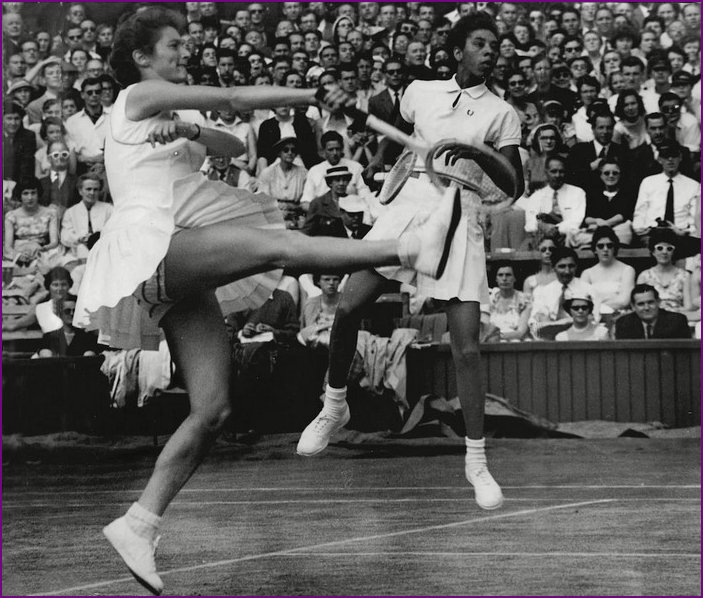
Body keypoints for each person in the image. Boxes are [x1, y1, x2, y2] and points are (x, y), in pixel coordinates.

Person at [87, 8, 460, 594]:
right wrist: (313, 92)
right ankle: (409, 246)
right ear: (141, 56)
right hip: (155, 246)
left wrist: (187, 131)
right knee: (281, 245)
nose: (184, 50)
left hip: (171, 258)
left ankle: (140, 522)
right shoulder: (139, 92)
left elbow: (232, 142)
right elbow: (236, 98)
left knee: (212, 410)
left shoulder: (167, 106)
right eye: (173, 44)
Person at [297, 14, 525, 513]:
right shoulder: (420, 91)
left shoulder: (503, 113)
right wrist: (366, 135)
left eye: (495, 46)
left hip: (461, 212)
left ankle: (477, 461)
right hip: (408, 203)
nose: (490, 52)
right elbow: (393, 133)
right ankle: (334, 406)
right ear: (458, 49)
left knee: (466, 346)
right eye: (480, 44)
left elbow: (513, 182)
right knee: (349, 306)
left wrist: (471, 150)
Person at [569, 157, 635, 249]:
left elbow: (622, 216)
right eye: (606, 173)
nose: (611, 176)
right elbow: (587, 218)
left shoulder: (626, 194)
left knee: (625, 230)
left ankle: (595, 243)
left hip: (618, 230)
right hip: (596, 229)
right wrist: (597, 221)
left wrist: (605, 224)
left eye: (615, 173)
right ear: (601, 176)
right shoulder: (594, 194)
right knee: (574, 234)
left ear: (620, 175)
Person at [3, 177, 59, 267]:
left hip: (43, 251)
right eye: (25, 193)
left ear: (38, 193)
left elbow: (54, 242)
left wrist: (42, 249)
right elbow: (8, 247)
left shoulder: (50, 213)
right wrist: (18, 255)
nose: (30, 197)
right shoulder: (11, 216)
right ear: (19, 195)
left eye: (33, 193)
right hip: (18, 253)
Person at [580, 226, 636, 315]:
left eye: (609, 246)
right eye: (600, 246)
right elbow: (582, 301)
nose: (605, 249)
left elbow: (624, 301)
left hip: (620, 316)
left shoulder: (627, 270)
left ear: (615, 248)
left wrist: (597, 304)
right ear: (595, 249)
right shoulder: (587, 273)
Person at [636, 228, 692, 314]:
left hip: (677, 319)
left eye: (669, 248)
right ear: (653, 251)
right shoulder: (644, 276)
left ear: (674, 252)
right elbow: (639, 305)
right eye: (660, 248)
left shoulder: (685, 276)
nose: (664, 252)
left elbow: (688, 307)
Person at [2, 266, 73, 333]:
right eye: (55, 285)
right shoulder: (42, 306)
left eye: (63, 284)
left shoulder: (77, 302)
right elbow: (18, 324)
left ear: (69, 285)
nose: (59, 289)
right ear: (49, 286)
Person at [60, 173, 113, 261]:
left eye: (96, 189)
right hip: (77, 253)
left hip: (104, 251)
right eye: (88, 189)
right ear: (80, 191)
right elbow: (65, 235)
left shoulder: (109, 209)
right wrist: (79, 238)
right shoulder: (71, 212)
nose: (92, 193)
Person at [614, 283, 691, 339]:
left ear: (658, 302)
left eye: (650, 302)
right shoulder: (624, 324)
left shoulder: (677, 321)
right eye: (641, 304)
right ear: (633, 306)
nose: (646, 308)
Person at [484, 261, 531, 341]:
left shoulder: (524, 300)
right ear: (496, 279)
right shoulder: (490, 300)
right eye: (500, 275)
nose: (504, 279)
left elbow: (520, 332)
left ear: (514, 278)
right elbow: (484, 329)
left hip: (516, 344)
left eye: (508, 275)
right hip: (492, 344)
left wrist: (496, 336)